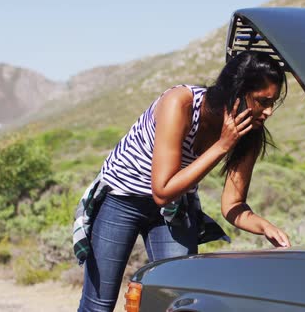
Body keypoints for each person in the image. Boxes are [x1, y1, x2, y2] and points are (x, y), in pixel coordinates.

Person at [77, 51, 291, 311]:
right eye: (262, 101)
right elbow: (162, 191)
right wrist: (223, 145)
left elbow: (233, 205)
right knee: (99, 305)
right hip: (121, 198)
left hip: (175, 205)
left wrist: (263, 226)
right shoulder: (180, 103)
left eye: (273, 102)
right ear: (237, 91)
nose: (268, 111)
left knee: (181, 299)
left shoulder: (249, 134)